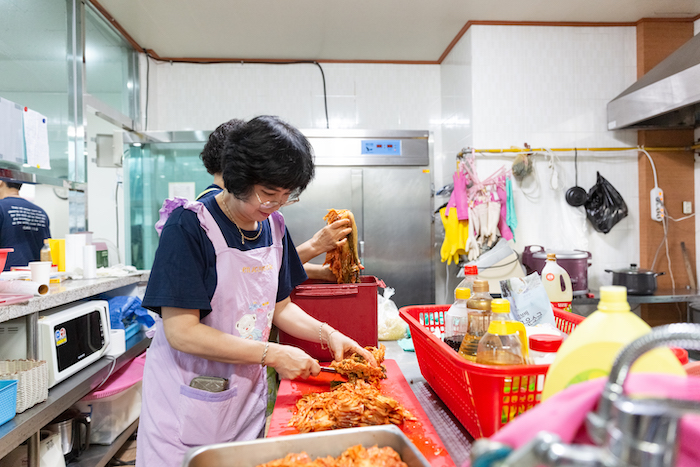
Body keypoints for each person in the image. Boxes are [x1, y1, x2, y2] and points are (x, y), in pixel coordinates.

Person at [137, 116, 376, 466]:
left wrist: (330, 334)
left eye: (286, 196)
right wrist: (275, 355)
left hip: (244, 399)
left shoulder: (274, 226)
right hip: (187, 401)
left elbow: (280, 308)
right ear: (237, 180)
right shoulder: (190, 226)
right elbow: (181, 332)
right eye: (267, 194)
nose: (274, 205)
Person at [196, 118, 351, 281]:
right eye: (268, 193)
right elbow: (247, 273)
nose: (274, 206)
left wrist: (322, 272)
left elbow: (263, 266)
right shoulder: (204, 216)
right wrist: (314, 246)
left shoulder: (269, 220)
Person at [0, 180, 51, 270]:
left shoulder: (1, 207)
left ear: (1, 182)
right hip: (37, 278)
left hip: (7, 280)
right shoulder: (40, 212)